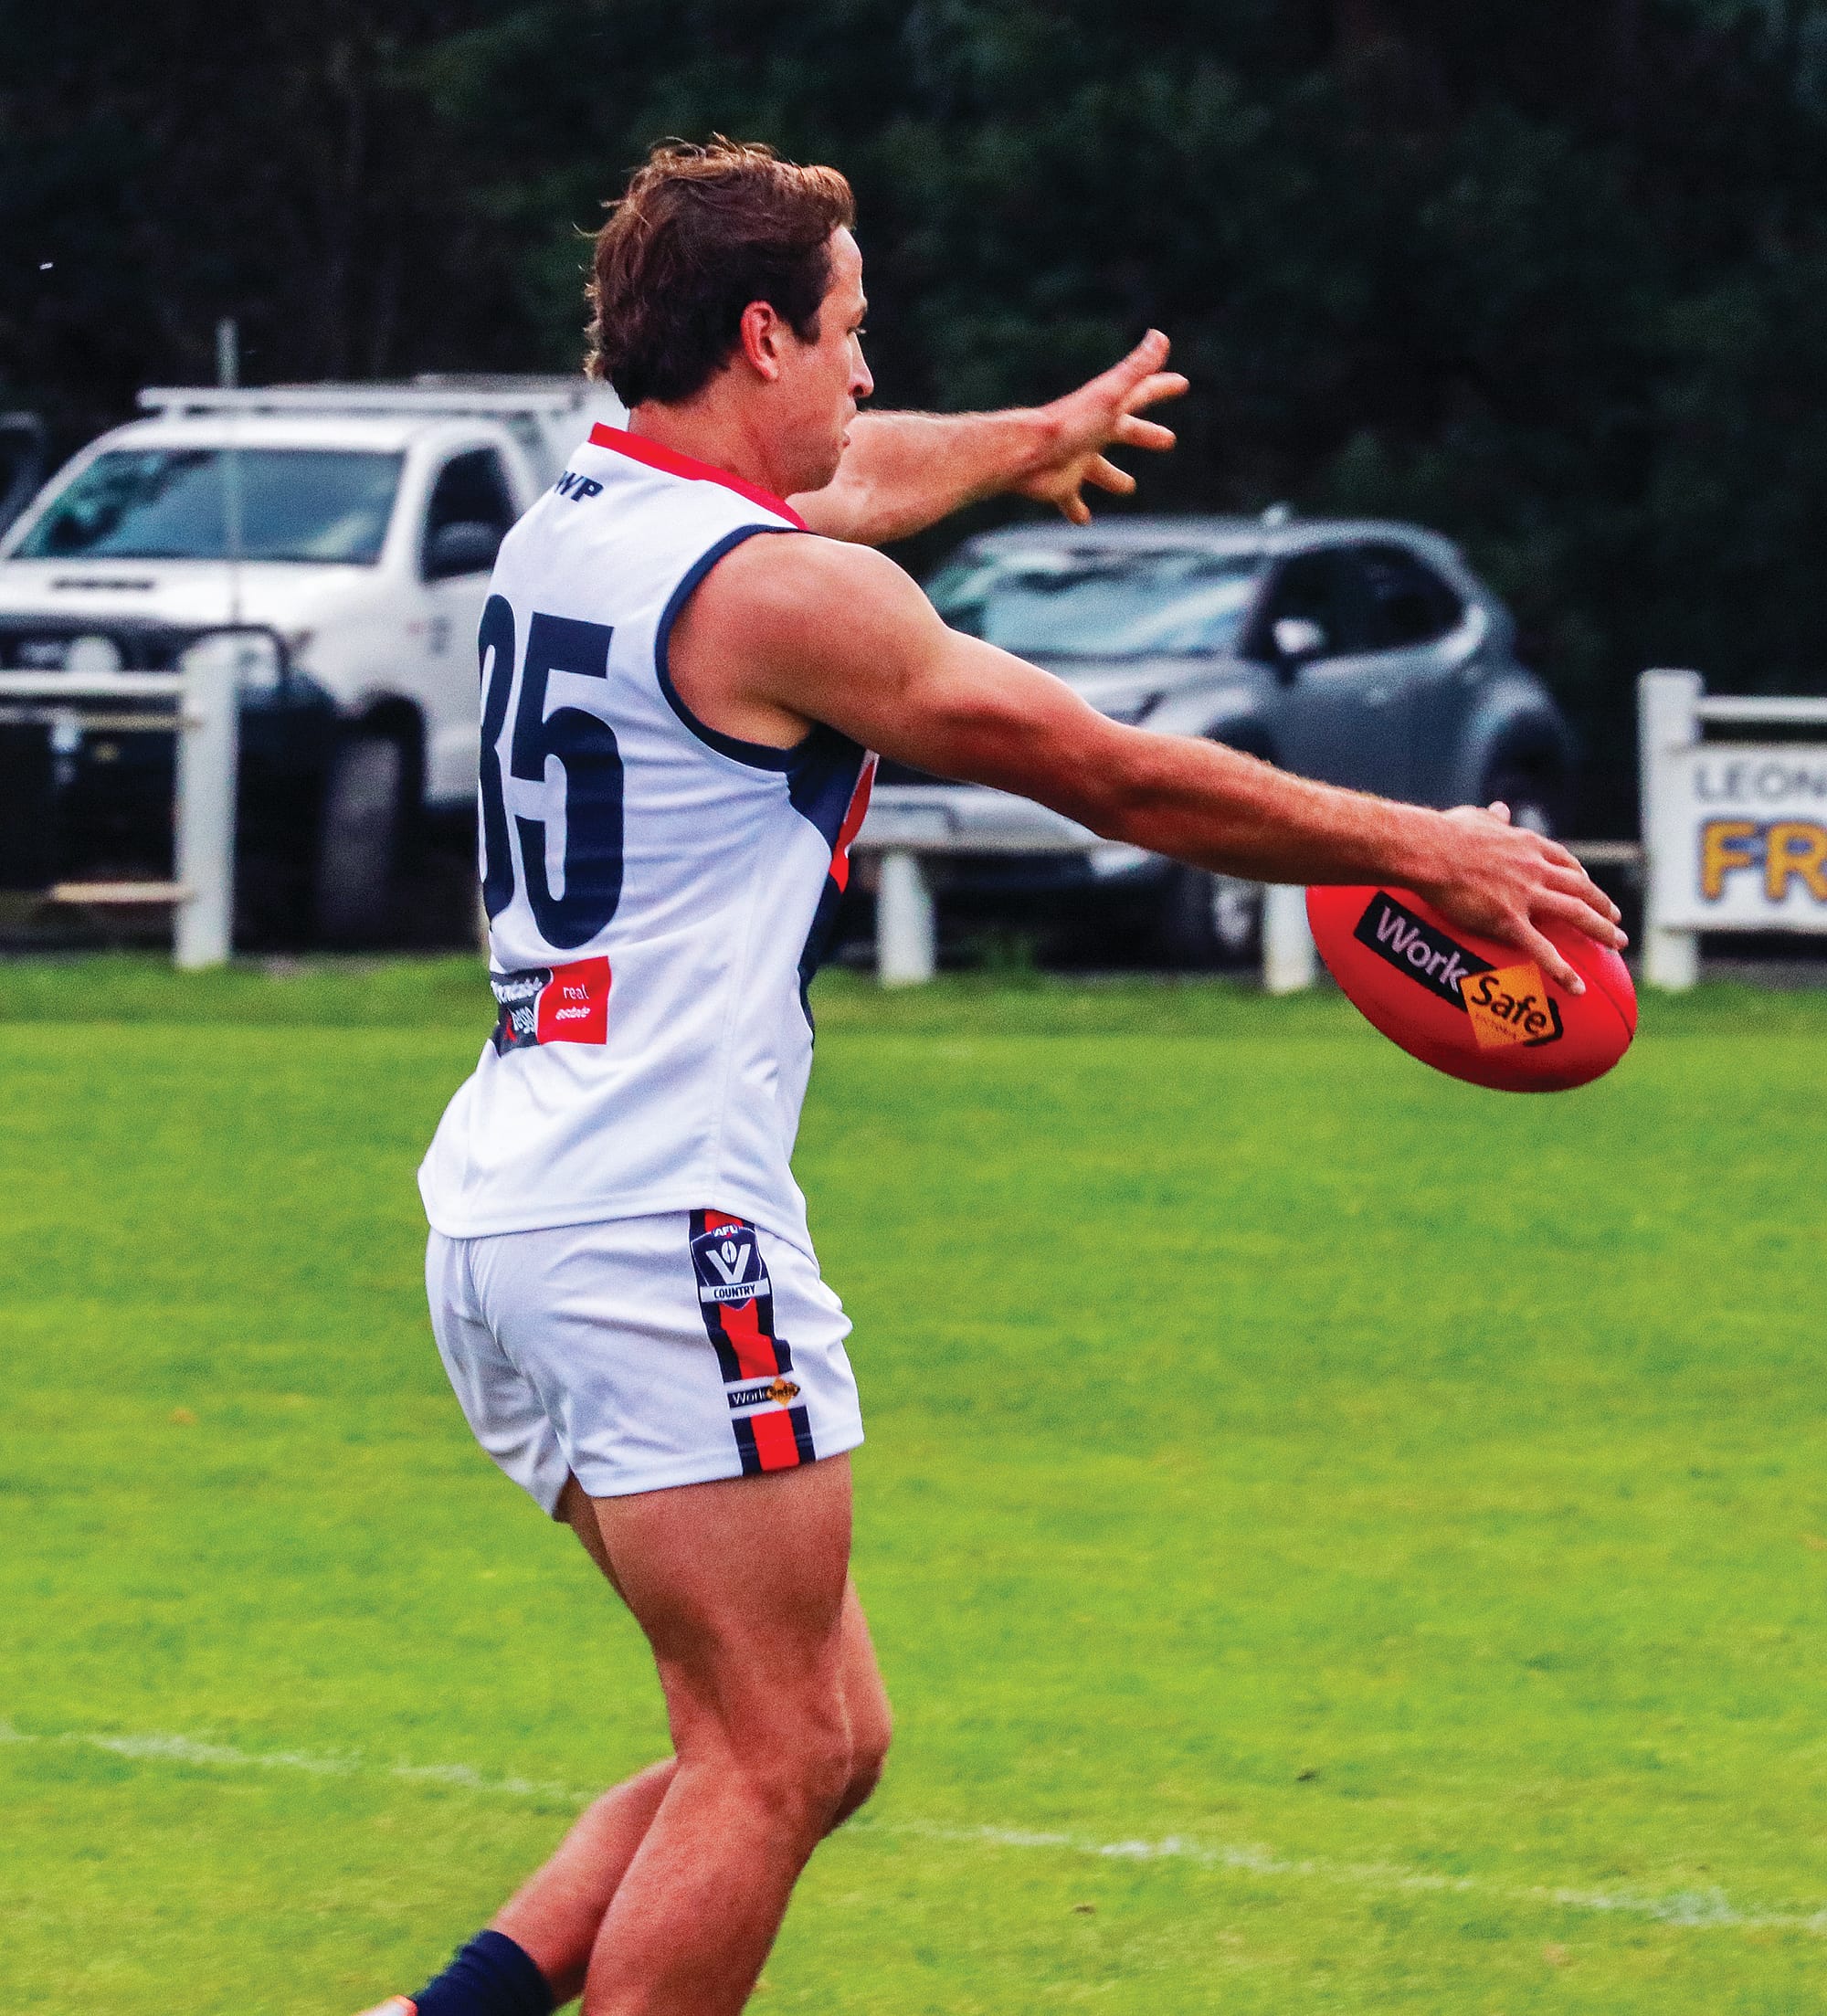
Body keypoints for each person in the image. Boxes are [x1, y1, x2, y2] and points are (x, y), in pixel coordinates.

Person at [364, 139, 1624, 2016]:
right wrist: (1410, 847)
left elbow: (850, 474)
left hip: (510, 1210)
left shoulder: (584, 512)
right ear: (763, 331)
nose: (874, 374)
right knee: (771, 1757)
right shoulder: (780, 597)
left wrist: (1024, 438)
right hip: (655, 1226)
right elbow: (1108, 771)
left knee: (811, 1734)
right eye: (855, 330)